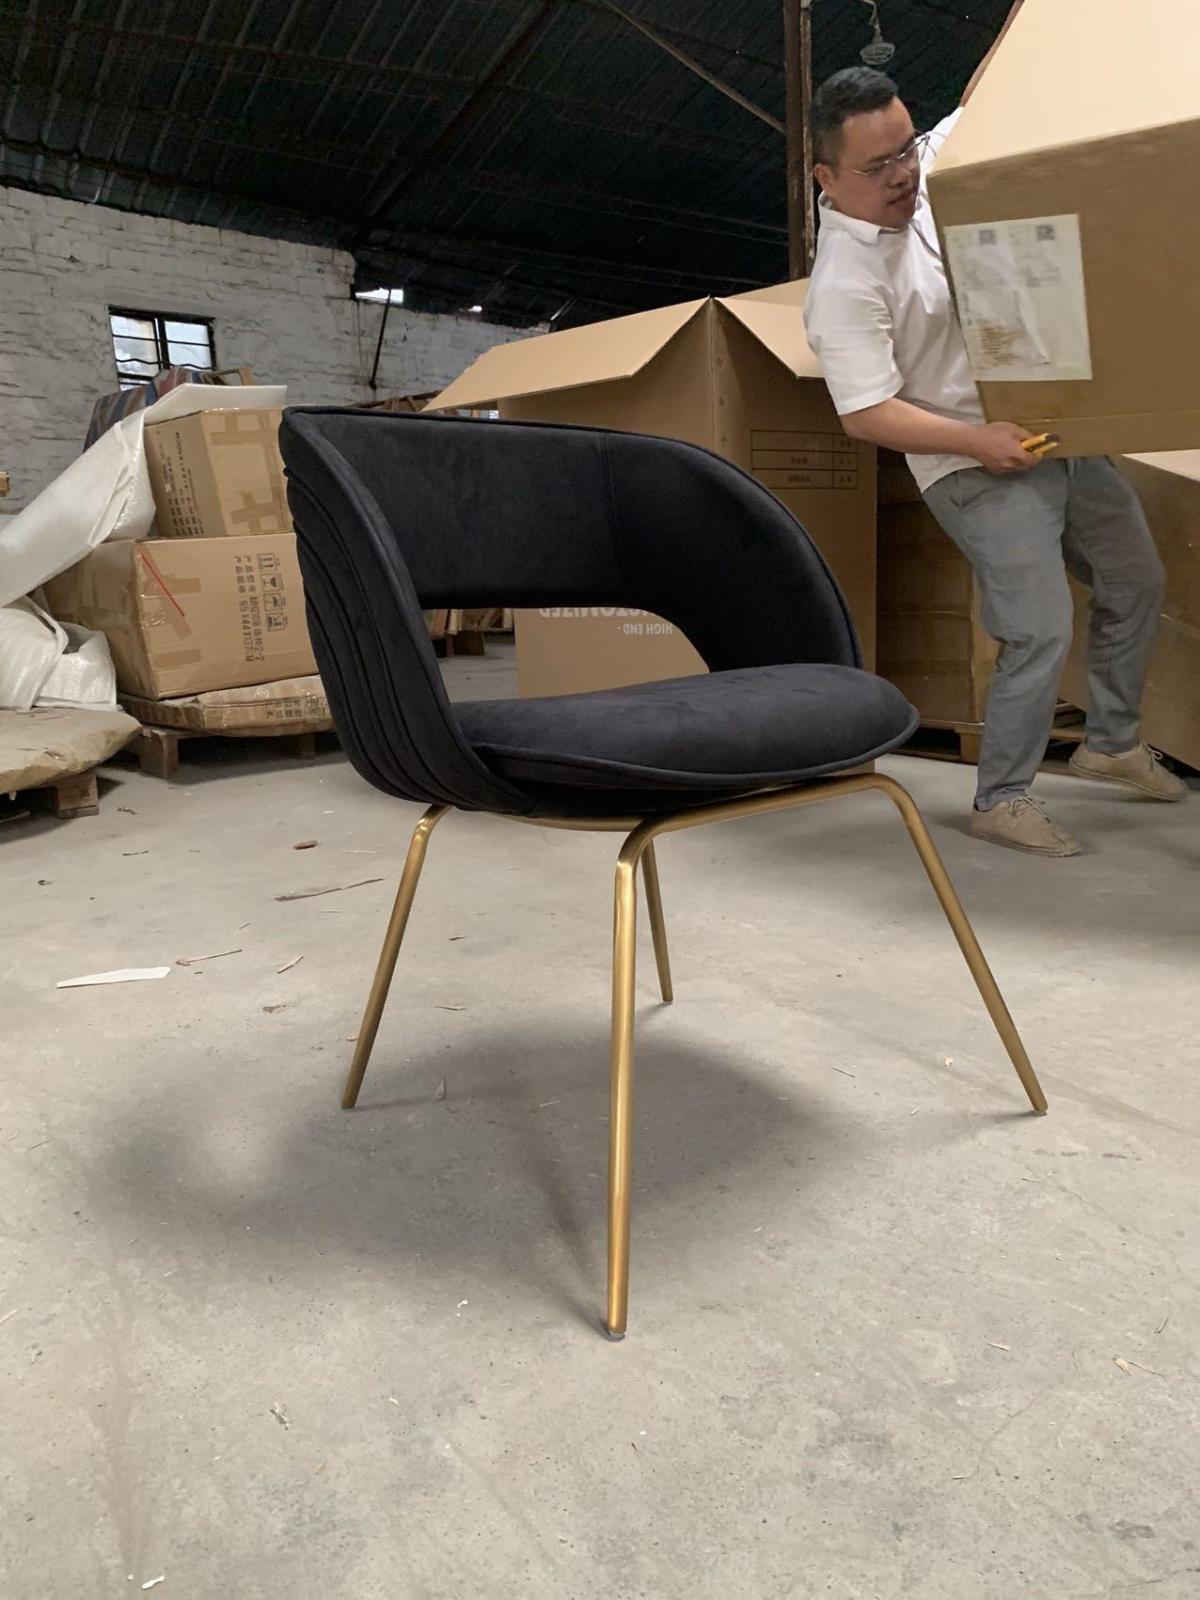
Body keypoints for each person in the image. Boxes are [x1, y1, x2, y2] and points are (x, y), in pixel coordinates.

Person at [802, 18, 1186, 858]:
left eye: (907, 149)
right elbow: (866, 411)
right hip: (967, 462)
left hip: (1048, 430)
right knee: (1038, 626)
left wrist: (1036, 26)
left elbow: (983, 101)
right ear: (826, 176)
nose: (904, 173)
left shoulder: (929, 171)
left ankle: (1111, 742)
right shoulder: (845, 283)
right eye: (879, 166)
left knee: (1135, 578)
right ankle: (1002, 797)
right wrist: (981, 443)